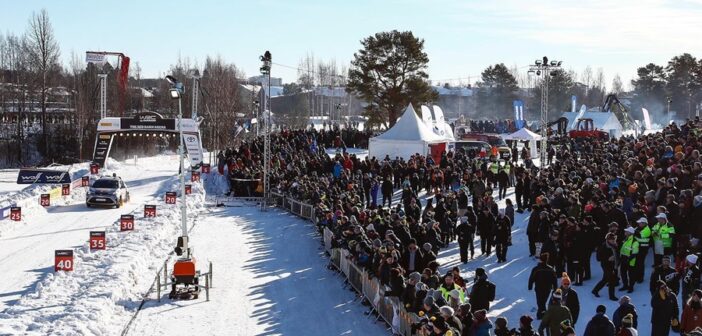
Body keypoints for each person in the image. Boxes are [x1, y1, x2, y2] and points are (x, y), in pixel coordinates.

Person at [529, 252, 558, 319]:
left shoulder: (536, 269)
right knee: (543, 301)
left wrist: (530, 286)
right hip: (547, 288)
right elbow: (554, 279)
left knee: (540, 302)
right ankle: (543, 314)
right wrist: (555, 287)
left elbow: (532, 278)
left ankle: (541, 315)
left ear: (540, 259)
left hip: (538, 288)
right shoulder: (551, 269)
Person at [593, 233, 620, 301]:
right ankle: (612, 296)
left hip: (614, 265)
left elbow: (617, 255)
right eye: (611, 239)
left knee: (605, 279)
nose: (613, 240)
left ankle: (595, 290)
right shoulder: (603, 247)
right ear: (607, 239)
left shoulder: (615, 245)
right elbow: (598, 258)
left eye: (614, 239)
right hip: (606, 265)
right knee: (611, 280)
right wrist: (608, 258)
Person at [619, 226, 639, 293]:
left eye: (626, 231)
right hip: (623, 259)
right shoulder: (625, 239)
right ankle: (625, 285)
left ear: (630, 233)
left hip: (630, 261)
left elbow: (635, 253)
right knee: (623, 273)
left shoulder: (635, 242)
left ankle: (631, 287)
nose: (625, 232)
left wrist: (628, 260)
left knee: (631, 275)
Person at [633, 217, 651, 283]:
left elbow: (639, 235)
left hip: (643, 249)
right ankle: (636, 276)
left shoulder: (647, 230)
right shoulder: (638, 228)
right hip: (637, 248)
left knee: (640, 264)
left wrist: (634, 232)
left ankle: (640, 278)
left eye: (640, 223)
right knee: (636, 263)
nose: (638, 223)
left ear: (644, 223)